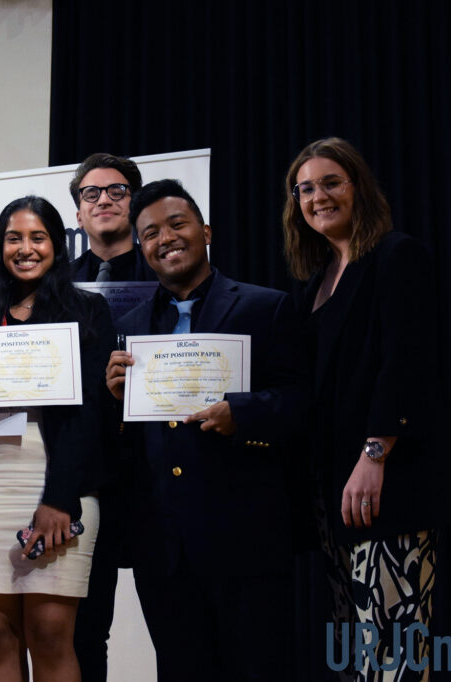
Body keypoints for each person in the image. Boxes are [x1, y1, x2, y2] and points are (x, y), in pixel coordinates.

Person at [105, 179, 305, 681]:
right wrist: (115, 401)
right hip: (163, 551)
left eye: (177, 224)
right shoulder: (130, 328)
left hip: (247, 542)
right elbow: (126, 445)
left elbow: (302, 402)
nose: (166, 239)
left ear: (206, 231)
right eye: (151, 233)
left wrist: (245, 413)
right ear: (142, 248)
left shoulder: (265, 307)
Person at [0, 196, 114, 682]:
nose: (26, 248)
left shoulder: (87, 310)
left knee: (51, 633)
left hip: (58, 482)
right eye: (14, 238)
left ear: (57, 244)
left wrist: (60, 498)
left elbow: (92, 416)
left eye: (38, 238)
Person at [282, 137, 439, 681]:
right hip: (331, 495)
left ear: (359, 188)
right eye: (306, 189)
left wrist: (375, 453)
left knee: (394, 655)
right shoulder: (315, 283)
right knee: (357, 655)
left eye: (331, 183)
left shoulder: (396, 255)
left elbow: (407, 362)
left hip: (385, 483)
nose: (318, 197)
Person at [66, 152, 155, 682]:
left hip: (156, 475)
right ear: (77, 212)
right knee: (84, 632)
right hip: (89, 477)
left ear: (135, 202)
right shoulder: (57, 284)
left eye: (117, 190)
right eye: (91, 193)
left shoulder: (168, 271)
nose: (104, 200)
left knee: (176, 624)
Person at [68, 152, 155, 282]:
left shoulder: (162, 273)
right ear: (79, 218)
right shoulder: (62, 282)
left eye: (116, 193)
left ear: (135, 210)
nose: (104, 201)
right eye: (92, 196)